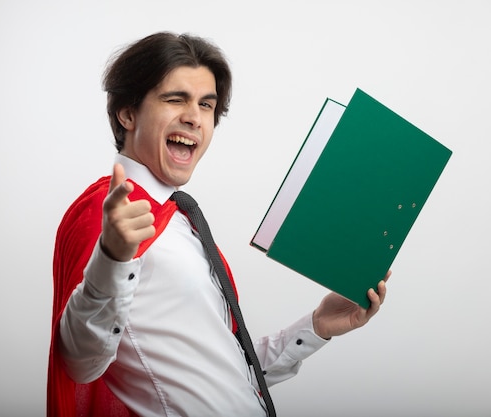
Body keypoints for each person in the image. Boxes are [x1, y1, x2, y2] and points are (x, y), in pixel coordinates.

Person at [47, 32, 389, 417]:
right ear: (128, 113)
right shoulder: (106, 214)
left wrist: (316, 327)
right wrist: (111, 258)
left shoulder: (179, 220)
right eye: (175, 99)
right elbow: (79, 362)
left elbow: (224, 377)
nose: (194, 117)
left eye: (206, 105)